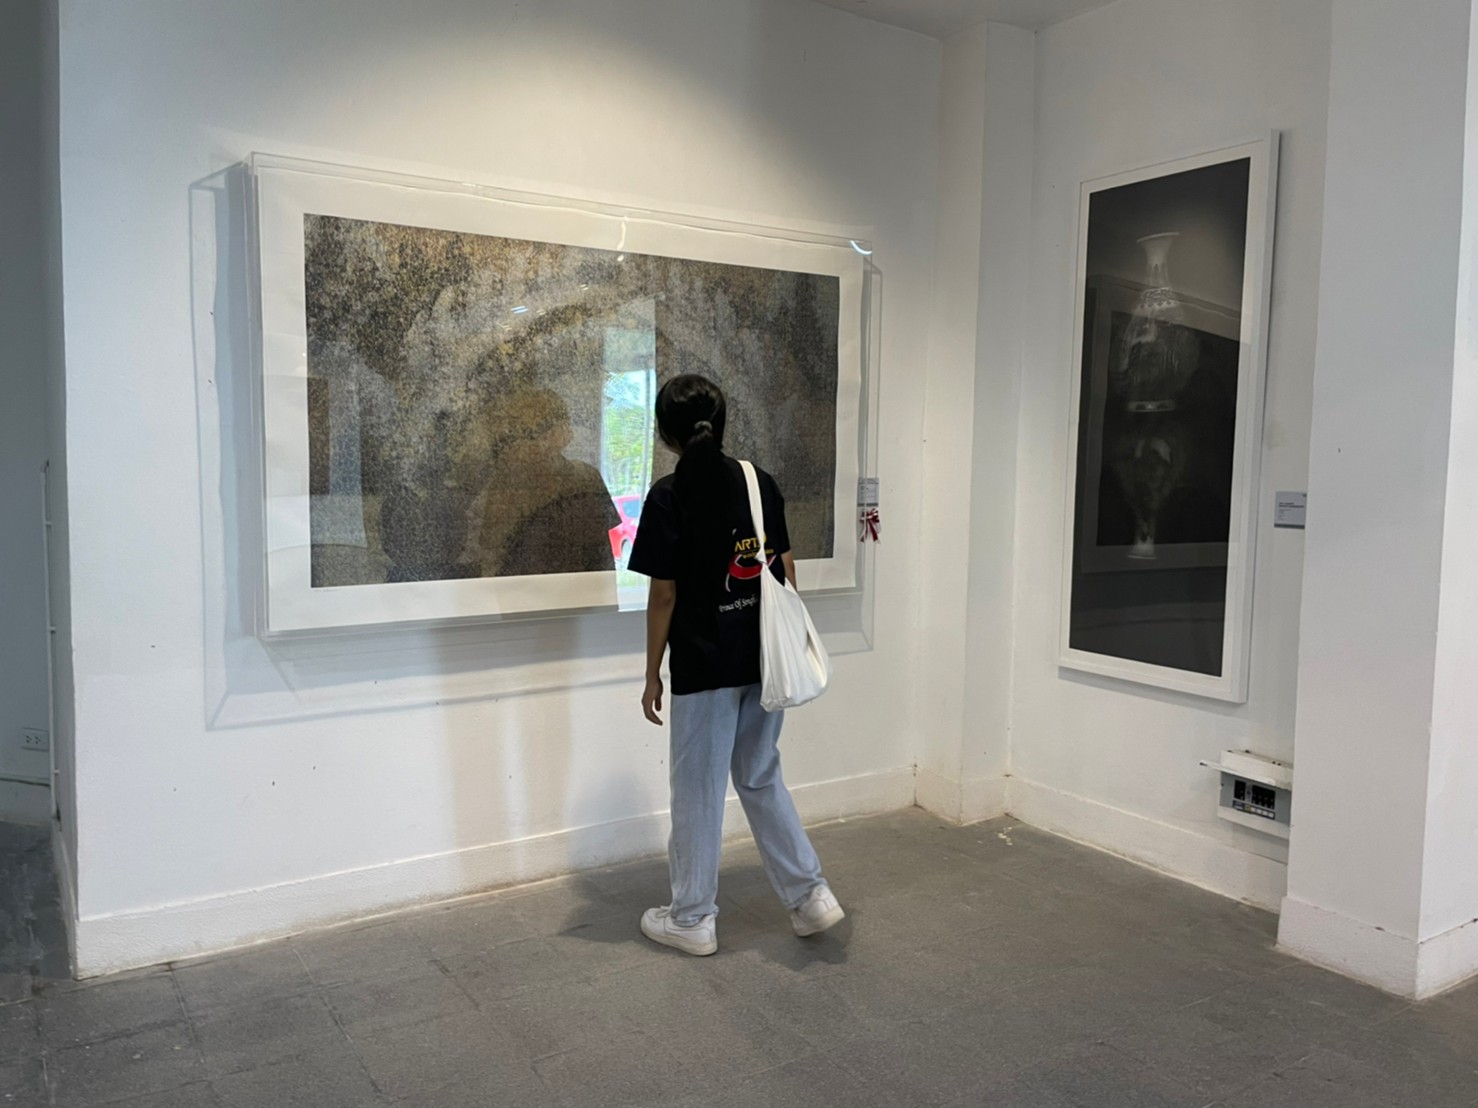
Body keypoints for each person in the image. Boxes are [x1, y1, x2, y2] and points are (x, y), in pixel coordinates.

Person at [627, 373, 844, 956]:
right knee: (759, 774)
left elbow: (664, 597)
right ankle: (810, 896)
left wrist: (651, 673)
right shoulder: (758, 481)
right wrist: (780, 640)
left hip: (704, 667)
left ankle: (692, 918)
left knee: (698, 790)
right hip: (763, 660)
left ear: (665, 433)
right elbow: (784, 570)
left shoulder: (668, 497)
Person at [475, 387, 619, 577]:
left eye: (537, 431)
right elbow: (491, 546)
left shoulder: (586, 478)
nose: (531, 443)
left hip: (577, 587)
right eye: (524, 433)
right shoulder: (508, 483)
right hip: (522, 588)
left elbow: (602, 554)